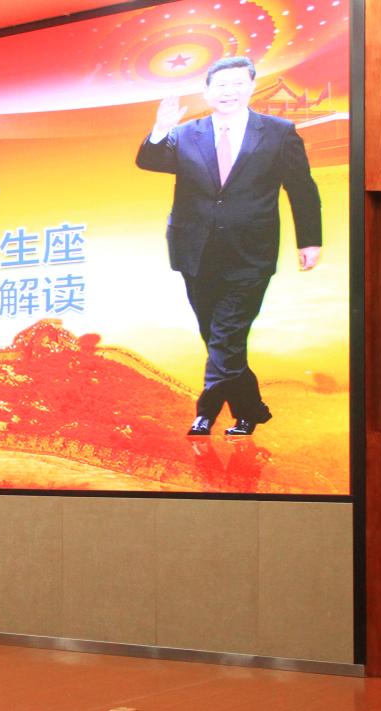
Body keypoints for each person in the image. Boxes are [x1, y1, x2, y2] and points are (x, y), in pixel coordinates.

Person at [135, 56, 322, 436]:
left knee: (225, 335)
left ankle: (205, 412)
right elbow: (149, 162)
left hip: (250, 253)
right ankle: (251, 410)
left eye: (238, 84)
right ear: (207, 92)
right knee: (217, 336)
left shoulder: (278, 132)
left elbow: (301, 188)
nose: (229, 91)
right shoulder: (186, 134)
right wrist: (161, 128)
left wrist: (310, 240)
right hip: (195, 250)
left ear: (251, 87)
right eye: (221, 85)